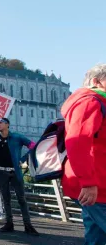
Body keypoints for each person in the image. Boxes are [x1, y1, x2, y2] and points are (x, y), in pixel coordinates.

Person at [61, 64, 106, 244]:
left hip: (96, 184)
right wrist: (88, 182)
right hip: (95, 185)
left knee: (96, 237)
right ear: (96, 81)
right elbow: (78, 141)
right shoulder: (90, 101)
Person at [0, 118, 39, 236]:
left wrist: (23, 159)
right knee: (6, 199)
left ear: (7, 124)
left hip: (15, 172)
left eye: (0, 123)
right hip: (2, 173)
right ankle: (9, 223)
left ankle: (28, 225)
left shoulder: (17, 137)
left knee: (21, 199)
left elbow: (34, 146)